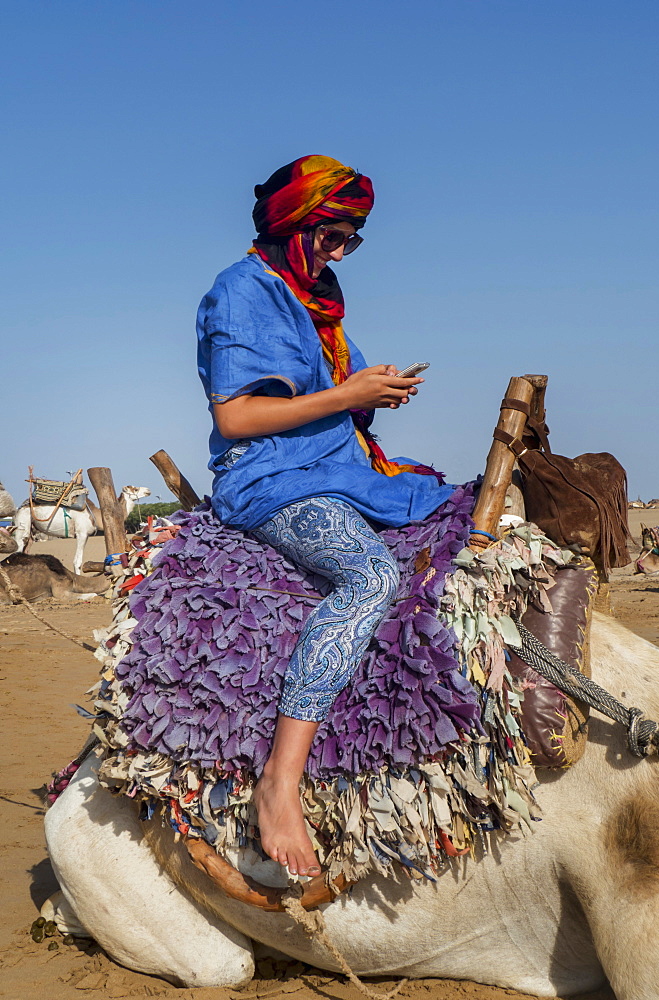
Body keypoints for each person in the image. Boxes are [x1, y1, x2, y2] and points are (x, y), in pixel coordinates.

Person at [196, 155, 454, 878]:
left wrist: (372, 391)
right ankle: (281, 782)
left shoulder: (319, 294)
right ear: (294, 228)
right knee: (370, 579)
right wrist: (346, 397)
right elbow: (238, 414)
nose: (341, 254)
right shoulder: (242, 292)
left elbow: (337, 389)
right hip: (271, 477)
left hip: (338, 468)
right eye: (333, 237)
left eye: (352, 240)